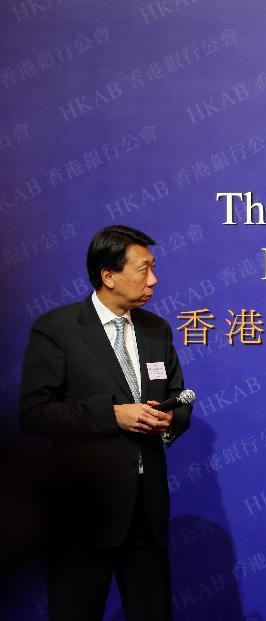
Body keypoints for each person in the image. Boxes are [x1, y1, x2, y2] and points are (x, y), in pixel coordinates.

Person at [18, 225, 191, 621]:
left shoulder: (156, 329)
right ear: (108, 276)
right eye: (143, 269)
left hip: (147, 512)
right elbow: (34, 413)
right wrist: (112, 414)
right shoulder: (57, 330)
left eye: (154, 268)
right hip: (84, 512)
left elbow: (180, 397)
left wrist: (168, 420)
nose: (154, 280)